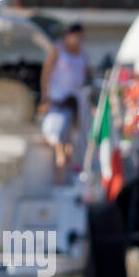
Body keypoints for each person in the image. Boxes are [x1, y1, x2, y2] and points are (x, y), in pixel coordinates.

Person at [39, 23, 91, 182]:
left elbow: (87, 73)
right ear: (69, 35)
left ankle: (65, 177)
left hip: (75, 103)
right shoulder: (57, 49)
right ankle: (59, 178)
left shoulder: (82, 52)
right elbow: (46, 73)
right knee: (60, 142)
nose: (80, 40)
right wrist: (44, 97)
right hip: (58, 102)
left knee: (72, 142)